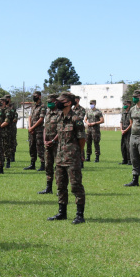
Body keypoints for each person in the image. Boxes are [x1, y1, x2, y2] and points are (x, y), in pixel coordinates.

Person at [48, 92, 86, 224]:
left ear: (69, 102)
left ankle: (79, 215)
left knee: (75, 185)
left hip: (72, 157)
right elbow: (59, 133)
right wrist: (53, 140)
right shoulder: (59, 117)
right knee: (60, 185)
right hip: (59, 157)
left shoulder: (76, 119)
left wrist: (79, 153)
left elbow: (82, 138)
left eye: (61, 100)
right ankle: (61, 212)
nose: (57, 102)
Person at [40, 94, 60, 194]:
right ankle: (49, 188)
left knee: (58, 167)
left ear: (56, 102)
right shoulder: (48, 113)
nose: (49, 104)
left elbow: (61, 130)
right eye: (48, 102)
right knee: (48, 165)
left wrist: (53, 141)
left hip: (57, 144)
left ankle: (59, 188)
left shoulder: (60, 114)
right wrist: (45, 140)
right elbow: (45, 128)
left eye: (50, 101)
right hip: (47, 144)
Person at [25, 91, 46, 170]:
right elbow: (30, 117)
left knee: (40, 147)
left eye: (36, 96)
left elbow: (41, 119)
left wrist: (32, 127)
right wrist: (30, 127)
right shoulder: (33, 107)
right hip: (32, 130)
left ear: (40, 96)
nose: (34, 97)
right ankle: (32, 164)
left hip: (39, 130)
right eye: (33, 95)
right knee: (31, 146)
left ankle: (43, 164)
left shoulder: (42, 106)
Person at [120, 96, 132, 165]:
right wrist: (121, 129)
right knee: (123, 145)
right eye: (124, 104)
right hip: (123, 131)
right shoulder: (123, 113)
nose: (124, 105)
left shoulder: (131, 112)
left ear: (129, 105)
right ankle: (124, 160)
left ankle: (130, 160)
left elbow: (131, 123)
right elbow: (121, 122)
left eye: (126, 104)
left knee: (129, 146)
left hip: (129, 131)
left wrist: (126, 130)